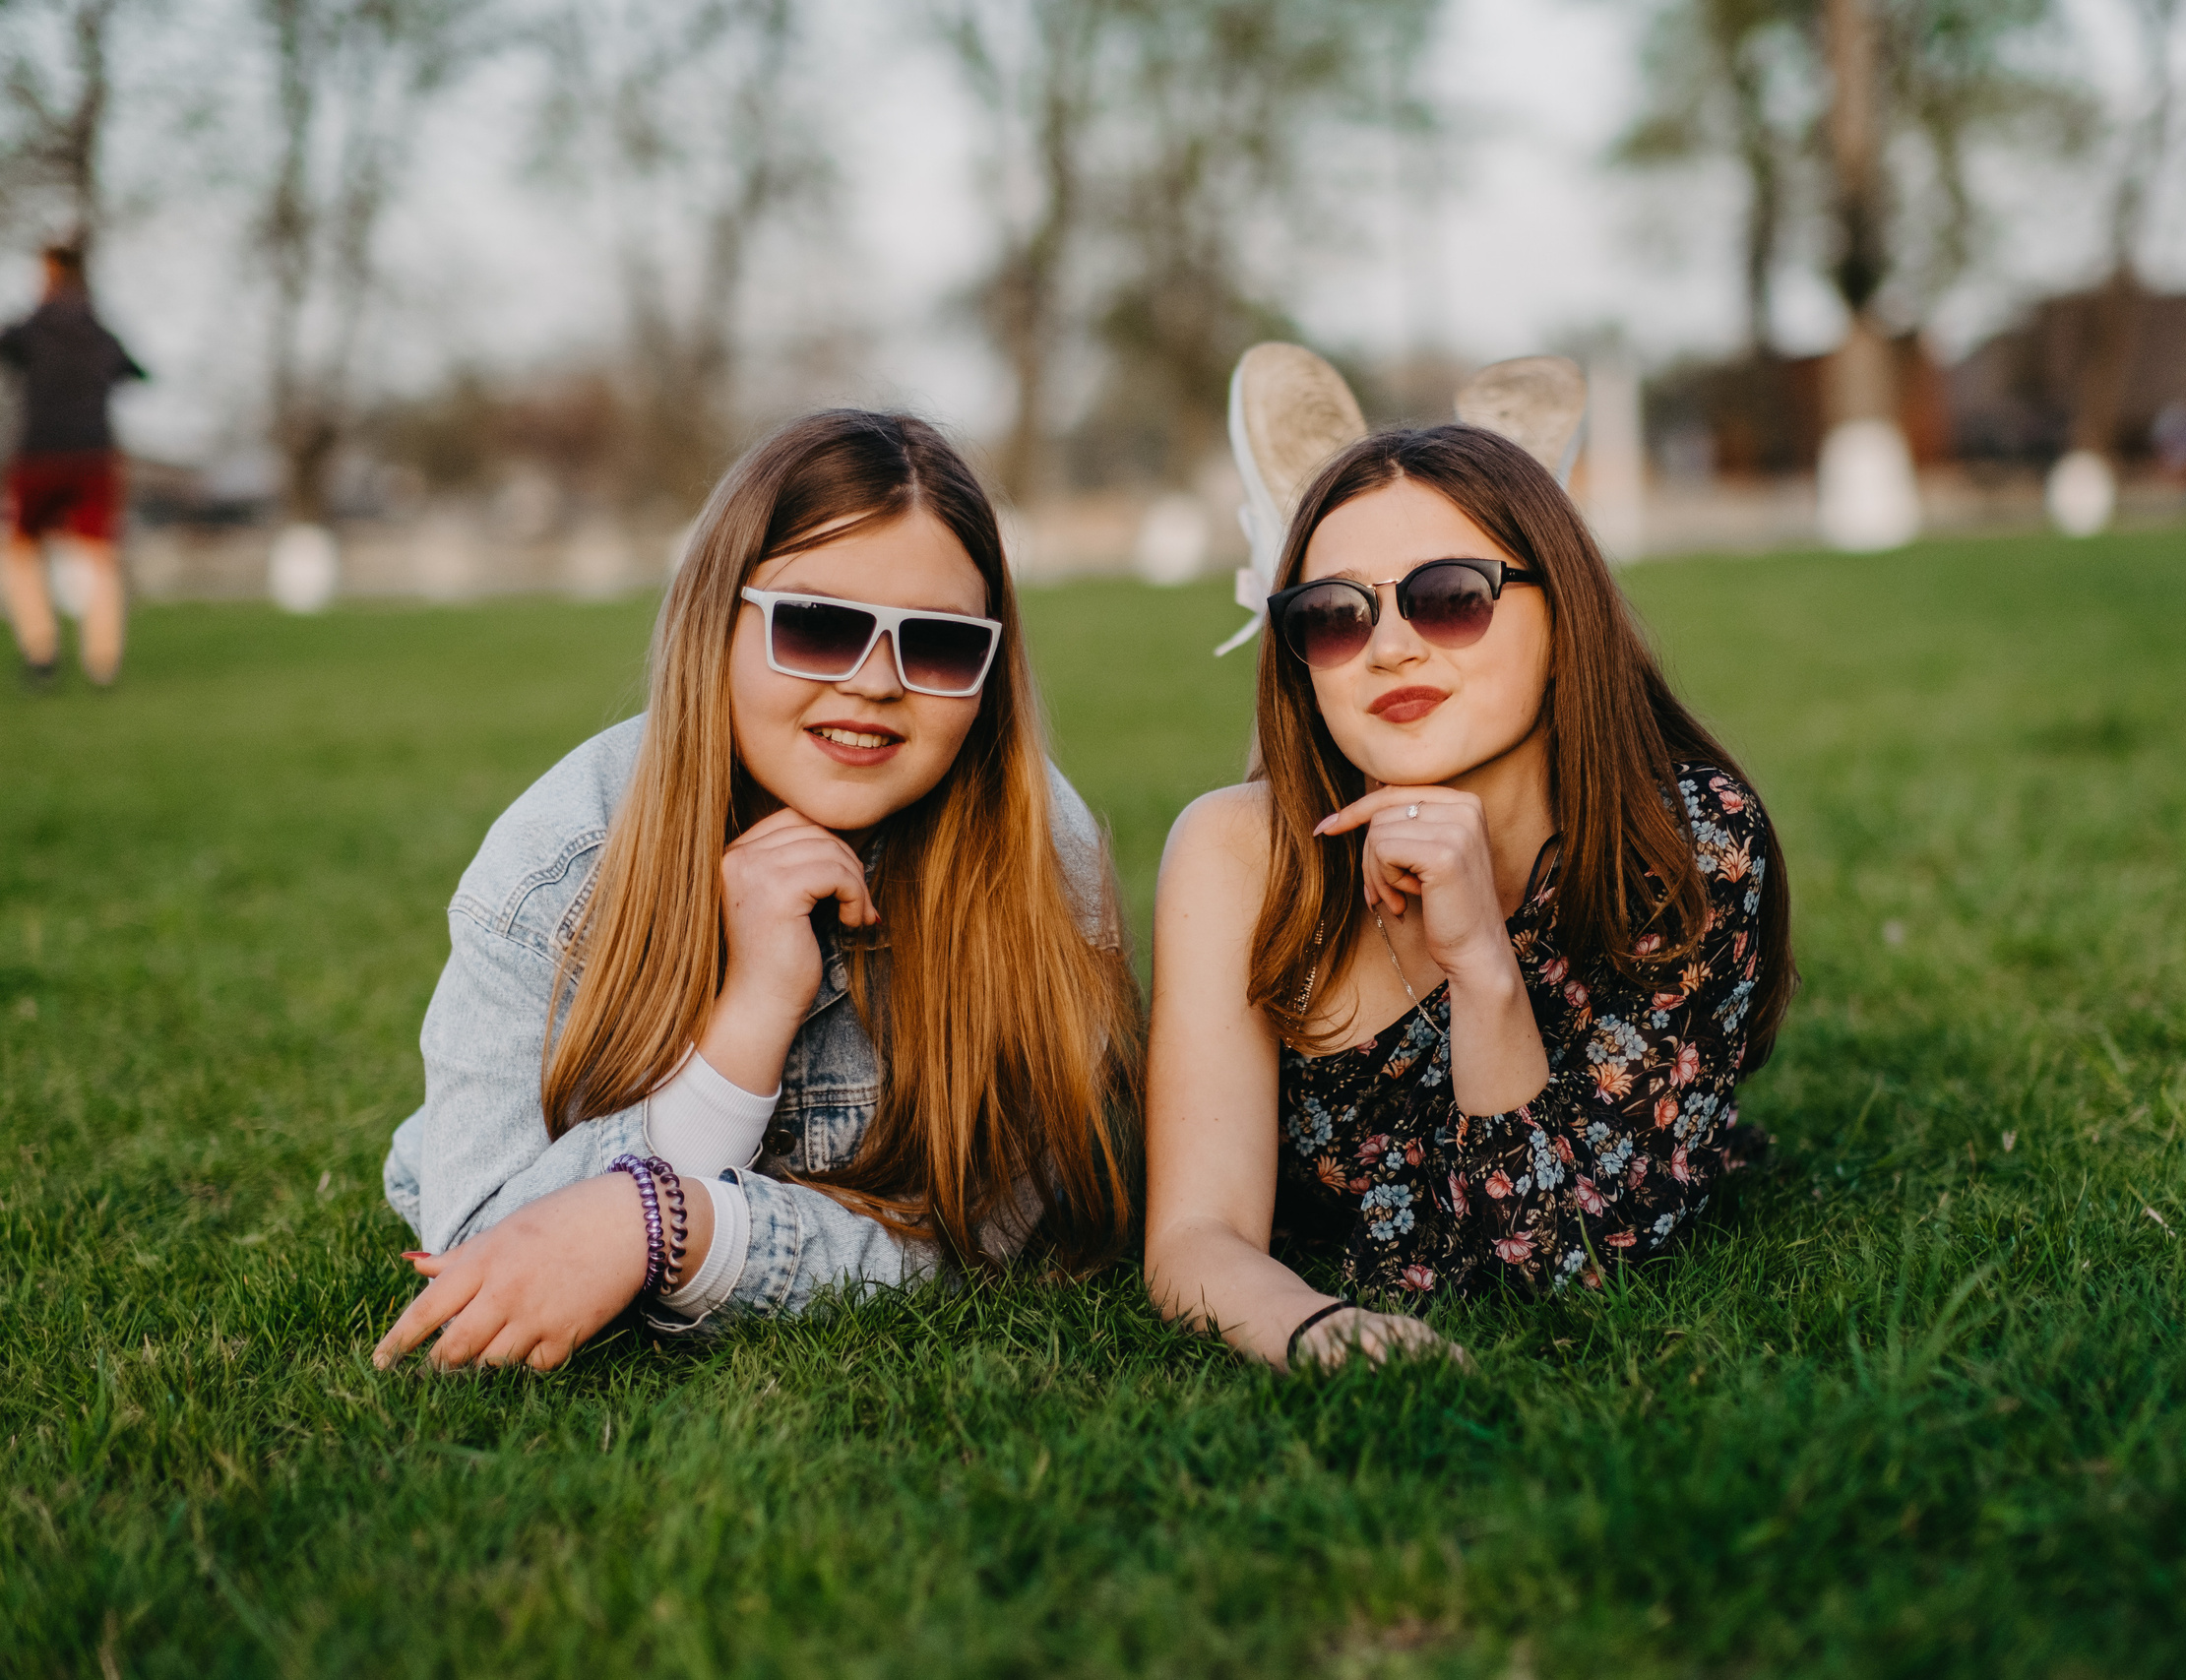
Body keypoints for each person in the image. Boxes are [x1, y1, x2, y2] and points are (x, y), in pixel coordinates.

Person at [373, 409, 1140, 1371]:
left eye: (939, 646)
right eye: (817, 626)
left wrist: (666, 1225)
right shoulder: (561, 864)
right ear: (715, 624)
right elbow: (485, 1253)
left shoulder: (1034, 854)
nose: (873, 682)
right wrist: (747, 1021)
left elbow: (1002, 1232)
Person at [1145, 409, 1795, 1372]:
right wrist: (1323, 1332)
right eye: (1331, 613)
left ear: (1564, 613)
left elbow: (1558, 1268)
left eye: (1450, 597)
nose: (1390, 649)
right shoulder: (1239, 851)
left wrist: (1482, 970)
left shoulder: (1684, 846)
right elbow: (1196, 1236)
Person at [0, 241, 147, 689]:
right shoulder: (101, 333)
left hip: (39, 455)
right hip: (94, 455)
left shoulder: (30, 329)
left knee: (20, 551)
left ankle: (40, 649)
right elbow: (136, 373)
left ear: (49, 273)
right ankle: (103, 660)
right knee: (100, 557)